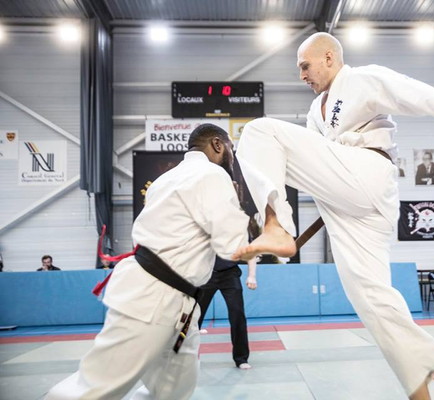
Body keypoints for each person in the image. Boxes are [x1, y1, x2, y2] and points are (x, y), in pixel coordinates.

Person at [232, 32, 434, 400]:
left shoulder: (361, 79)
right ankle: (420, 391)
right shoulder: (315, 112)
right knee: (372, 300)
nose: (302, 75)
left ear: (329, 58)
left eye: (305, 66)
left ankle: (274, 226)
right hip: (352, 204)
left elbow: (417, 93)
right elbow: (316, 164)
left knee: (258, 130)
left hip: (367, 172)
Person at [46, 124, 292, 400]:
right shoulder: (212, 175)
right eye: (231, 149)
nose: (233, 159)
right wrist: (272, 233)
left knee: (173, 389)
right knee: (95, 387)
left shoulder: (167, 179)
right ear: (217, 144)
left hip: (177, 302)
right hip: (153, 297)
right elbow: (232, 245)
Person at [197, 256, 257, 369]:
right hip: (206, 273)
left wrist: (252, 276)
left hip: (230, 274)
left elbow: (252, 254)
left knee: (237, 314)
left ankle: (241, 358)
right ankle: (184, 355)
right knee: (194, 315)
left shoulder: (236, 242)